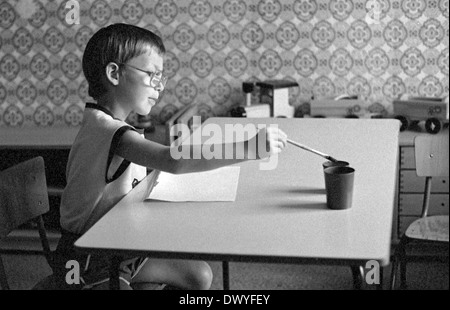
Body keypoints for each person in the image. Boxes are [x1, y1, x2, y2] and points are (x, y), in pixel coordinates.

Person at [54, 23, 287, 290]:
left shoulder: (110, 124)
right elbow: (173, 160)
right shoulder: (109, 131)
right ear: (114, 73)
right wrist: (248, 147)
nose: (159, 86)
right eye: (152, 74)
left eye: (161, 78)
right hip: (85, 258)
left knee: (200, 275)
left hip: (119, 246)